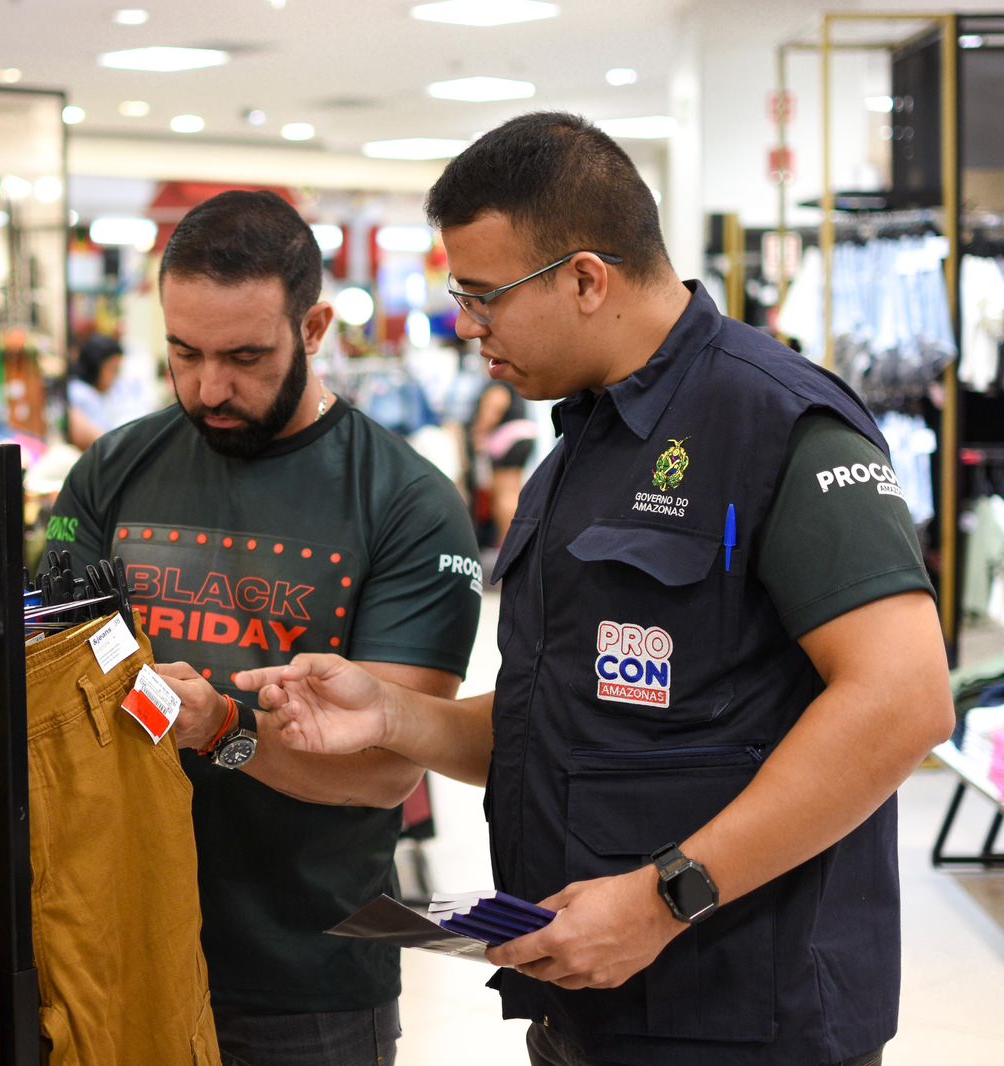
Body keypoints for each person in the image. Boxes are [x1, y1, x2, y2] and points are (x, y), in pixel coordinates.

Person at [235, 113, 954, 1066]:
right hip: (590, 1009)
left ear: (584, 278)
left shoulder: (776, 422)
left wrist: (665, 899)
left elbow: (904, 701)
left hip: (748, 1019)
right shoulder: (583, 446)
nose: (467, 325)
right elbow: (567, 725)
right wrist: (394, 717)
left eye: (484, 296)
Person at [43, 190, 481, 1066]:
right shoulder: (111, 470)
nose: (210, 388)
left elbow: (387, 771)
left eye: (245, 357)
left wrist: (222, 730)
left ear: (313, 328)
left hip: (304, 978)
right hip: (106, 943)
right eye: (184, 353)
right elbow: (53, 682)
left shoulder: (406, 503)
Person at [467, 374, 537, 547]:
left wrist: (479, 431)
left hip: (508, 439)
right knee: (513, 491)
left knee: (504, 495)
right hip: (522, 434)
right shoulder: (513, 380)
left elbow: (495, 405)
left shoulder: (498, 383)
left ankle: (507, 543)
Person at [67, 332, 125, 450]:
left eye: (118, 370)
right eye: (112, 369)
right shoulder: (79, 392)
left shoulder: (106, 392)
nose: (116, 376)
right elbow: (98, 440)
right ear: (95, 367)